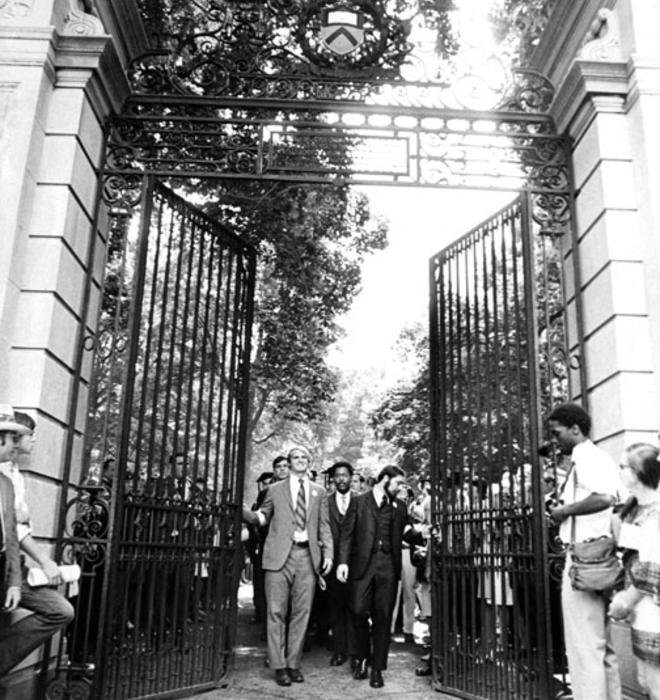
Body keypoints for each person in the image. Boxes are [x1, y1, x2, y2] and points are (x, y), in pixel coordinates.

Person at [547, 402, 621, 700]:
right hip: (600, 556)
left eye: (557, 433)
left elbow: (605, 497)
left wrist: (564, 511)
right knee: (603, 646)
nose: (554, 440)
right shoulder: (597, 457)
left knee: (584, 646)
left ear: (575, 429)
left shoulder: (586, 457)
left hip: (583, 558)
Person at [243, 446, 333, 686]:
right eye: (295, 457)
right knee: (275, 612)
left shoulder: (319, 492)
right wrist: (244, 513)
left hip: (307, 557)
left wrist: (329, 555)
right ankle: (278, 665)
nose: (300, 460)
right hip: (278, 556)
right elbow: (263, 517)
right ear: (290, 462)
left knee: (302, 613)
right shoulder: (274, 489)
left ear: (309, 461)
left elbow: (324, 526)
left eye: (304, 457)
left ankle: (293, 664)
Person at [0, 407, 74, 677]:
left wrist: (14, 580)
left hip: (10, 567)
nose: (32, 440)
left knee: (60, 610)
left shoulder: (11, 478)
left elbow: (13, 532)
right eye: (29, 434)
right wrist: (45, 560)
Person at [337, 464, 411, 688]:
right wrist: (342, 562)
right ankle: (361, 656)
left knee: (383, 616)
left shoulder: (399, 507)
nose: (400, 488)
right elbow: (347, 535)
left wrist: (423, 533)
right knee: (358, 610)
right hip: (362, 566)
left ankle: (377, 668)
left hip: (388, 566)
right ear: (385, 479)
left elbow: (406, 531)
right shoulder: (359, 502)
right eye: (398, 483)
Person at [609, 443, 660, 699]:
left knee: (655, 681)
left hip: (651, 605)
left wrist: (625, 601)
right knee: (645, 679)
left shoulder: (656, 513)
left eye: (623, 466)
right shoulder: (633, 509)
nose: (619, 471)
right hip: (641, 607)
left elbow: (652, 568)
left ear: (640, 471)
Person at [325, 461, 356, 667]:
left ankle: (356, 651)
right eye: (338, 475)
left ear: (351, 478)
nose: (341, 479)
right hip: (332, 563)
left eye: (345, 475)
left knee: (356, 608)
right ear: (333, 479)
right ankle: (339, 650)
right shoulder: (325, 502)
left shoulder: (361, 501)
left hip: (356, 565)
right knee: (335, 607)